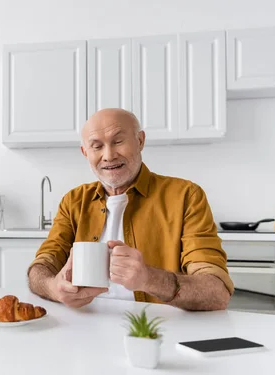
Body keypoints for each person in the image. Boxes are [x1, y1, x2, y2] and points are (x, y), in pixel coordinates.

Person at [28, 108, 234, 311]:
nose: (108, 155)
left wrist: (149, 279)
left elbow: (216, 292)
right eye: (97, 146)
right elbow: (41, 266)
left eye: (118, 141)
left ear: (140, 141)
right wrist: (53, 288)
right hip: (85, 326)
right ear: (85, 153)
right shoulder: (73, 201)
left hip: (156, 331)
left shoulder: (186, 196)